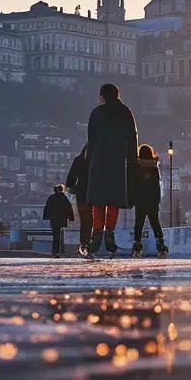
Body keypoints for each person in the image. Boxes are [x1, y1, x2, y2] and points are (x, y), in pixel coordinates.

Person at [85, 83, 138, 256]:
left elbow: (91, 139)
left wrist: (90, 159)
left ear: (103, 96)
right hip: (118, 161)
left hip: (99, 161)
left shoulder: (96, 113)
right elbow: (132, 138)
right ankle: (109, 235)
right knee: (113, 201)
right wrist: (131, 160)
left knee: (98, 201)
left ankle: (97, 236)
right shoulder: (126, 113)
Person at [130, 144, 168, 257]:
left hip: (140, 200)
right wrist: (157, 200)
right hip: (152, 200)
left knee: (139, 224)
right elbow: (157, 185)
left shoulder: (136, 167)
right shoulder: (155, 167)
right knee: (155, 223)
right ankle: (161, 245)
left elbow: (133, 185)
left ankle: (137, 246)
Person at [65, 143, 93, 256]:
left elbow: (71, 180)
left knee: (85, 220)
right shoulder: (98, 161)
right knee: (95, 219)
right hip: (96, 193)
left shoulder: (78, 160)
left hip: (81, 193)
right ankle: (95, 243)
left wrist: (73, 188)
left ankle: (84, 244)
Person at [42, 184, 74, 258]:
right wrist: (71, 217)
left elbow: (47, 208)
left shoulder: (51, 198)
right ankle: (60, 251)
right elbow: (69, 208)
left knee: (55, 236)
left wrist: (46, 216)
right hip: (62, 219)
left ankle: (55, 252)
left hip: (54, 220)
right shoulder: (64, 198)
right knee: (61, 236)